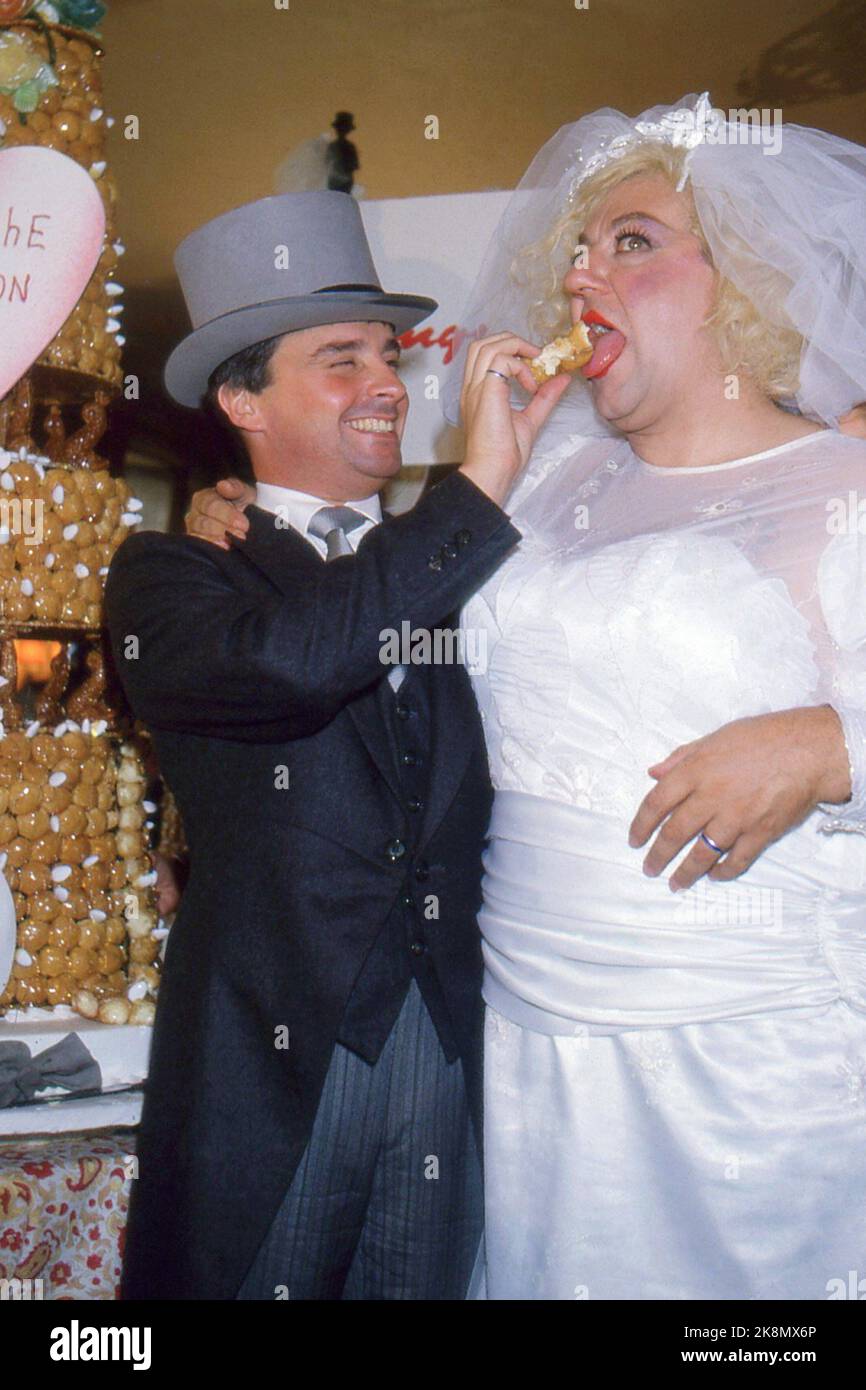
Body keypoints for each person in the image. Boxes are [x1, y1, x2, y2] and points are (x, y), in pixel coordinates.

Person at [189, 95, 866, 1301]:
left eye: (632, 243)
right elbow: (367, 636)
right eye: (577, 252)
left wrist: (831, 746)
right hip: (518, 1051)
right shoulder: (538, 488)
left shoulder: (843, 480)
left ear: (745, 275)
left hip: (742, 1062)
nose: (581, 276)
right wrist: (240, 528)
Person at [104, 189, 561, 1300]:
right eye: (340, 358)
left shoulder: (451, 564)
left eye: (390, 354)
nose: (385, 385)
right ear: (240, 399)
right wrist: (476, 485)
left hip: (448, 1049)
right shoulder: (169, 575)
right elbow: (294, 662)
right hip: (269, 1063)